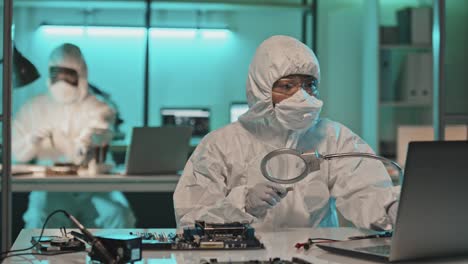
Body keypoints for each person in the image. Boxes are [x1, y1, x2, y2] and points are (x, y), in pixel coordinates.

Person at [174, 35, 399, 231]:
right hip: (242, 256)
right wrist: (242, 203)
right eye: (287, 86)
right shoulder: (221, 144)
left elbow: (364, 189)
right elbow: (190, 217)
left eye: (309, 85)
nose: (302, 96)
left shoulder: (332, 137)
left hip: (315, 256)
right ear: (261, 88)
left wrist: (390, 208)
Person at [12, 43, 136, 228]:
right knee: (39, 220)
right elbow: (16, 156)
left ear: (81, 74)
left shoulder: (98, 106)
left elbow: (102, 127)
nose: (62, 82)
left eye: (68, 75)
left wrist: (89, 140)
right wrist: (31, 141)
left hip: (95, 188)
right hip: (50, 188)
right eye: (57, 74)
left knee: (118, 215)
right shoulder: (32, 108)